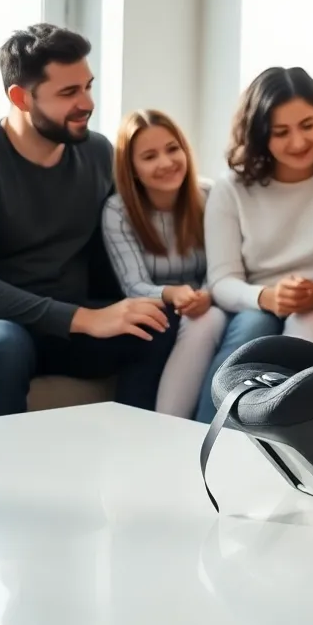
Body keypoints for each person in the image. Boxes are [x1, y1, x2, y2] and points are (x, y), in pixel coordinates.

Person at [0, 23, 180, 420]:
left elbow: (108, 253)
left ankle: (129, 457)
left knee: (155, 323)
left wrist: (154, 296)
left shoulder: (98, 154)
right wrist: (86, 318)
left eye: (88, 86)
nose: (87, 103)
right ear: (20, 97)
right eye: (69, 92)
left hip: (56, 321)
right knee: (6, 344)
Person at [194, 66, 313, 422]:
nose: (298, 142)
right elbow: (221, 282)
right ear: (258, 135)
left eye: (308, 125)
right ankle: (204, 436)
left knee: (303, 331)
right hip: (253, 304)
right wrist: (265, 297)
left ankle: (293, 443)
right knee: (254, 328)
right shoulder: (231, 188)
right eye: (281, 132)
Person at [102, 109, 229, 418]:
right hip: (155, 303)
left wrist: (207, 294)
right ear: (131, 169)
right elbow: (133, 285)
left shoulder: (209, 194)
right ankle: (153, 424)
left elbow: (225, 265)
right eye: (149, 156)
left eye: (173, 149)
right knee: (157, 327)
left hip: (207, 302)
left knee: (208, 319)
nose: (166, 162)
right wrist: (172, 294)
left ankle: (179, 423)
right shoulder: (118, 210)